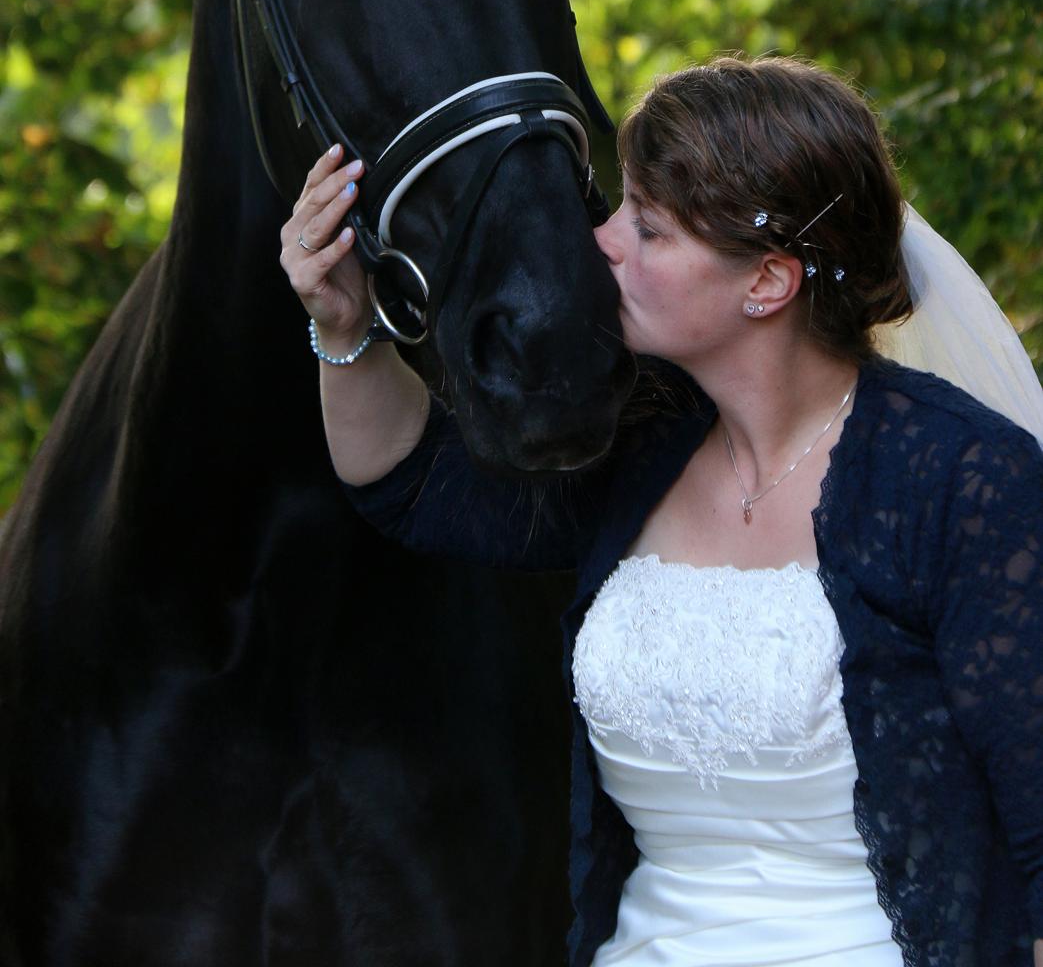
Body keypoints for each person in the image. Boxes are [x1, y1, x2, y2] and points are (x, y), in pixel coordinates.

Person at [282, 54, 1043, 966]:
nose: (598, 240)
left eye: (645, 227)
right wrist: (342, 325)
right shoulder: (641, 445)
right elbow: (408, 485)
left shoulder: (961, 479)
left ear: (767, 282)